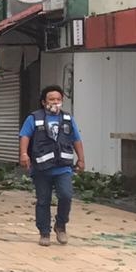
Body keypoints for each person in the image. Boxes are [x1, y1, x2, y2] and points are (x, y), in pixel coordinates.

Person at [18, 85, 85, 246]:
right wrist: (23, 154)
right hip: (41, 168)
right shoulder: (34, 118)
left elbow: (76, 139)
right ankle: (44, 233)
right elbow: (24, 136)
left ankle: (60, 226)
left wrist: (81, 159)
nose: (55, 102)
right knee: (43, 200)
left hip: (63, 168)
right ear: (43, 102)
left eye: (58, 99)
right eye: (51, 99)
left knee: (66, 196)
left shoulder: (68, 119)